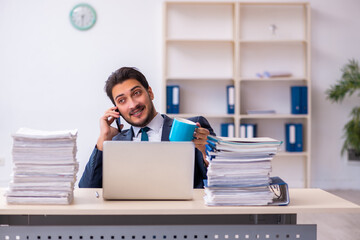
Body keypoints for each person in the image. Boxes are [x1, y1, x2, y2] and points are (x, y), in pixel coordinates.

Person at [79, 67, 215, 188]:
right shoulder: (114, 142)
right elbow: (87, 189)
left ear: (150, 93)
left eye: (136, 93)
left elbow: (224, 180)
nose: (132, 104)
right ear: (117, 109)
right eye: (122, 100)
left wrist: (205, 153)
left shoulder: (193, 128)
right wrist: (103, 139)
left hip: (181, 214)